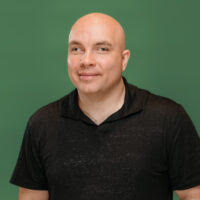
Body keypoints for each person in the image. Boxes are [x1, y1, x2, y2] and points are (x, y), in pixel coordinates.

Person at [10, 12, 200, 200]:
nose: (86, 61)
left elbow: (193, 194)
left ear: (123, 59)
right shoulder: (42, 123)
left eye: (102, 49)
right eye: (76, 49)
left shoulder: (168, 118)